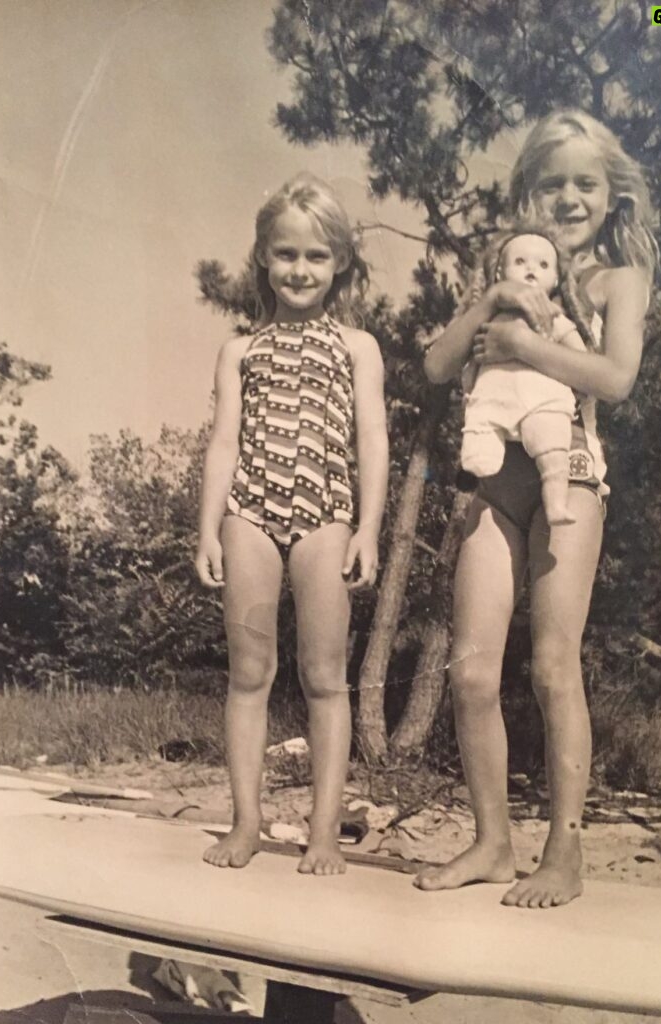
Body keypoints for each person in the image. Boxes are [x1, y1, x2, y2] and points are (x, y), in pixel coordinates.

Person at [417, 109, 657, 907]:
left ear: (611, 193)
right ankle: (491, 842)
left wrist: (522, 346)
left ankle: (564, 850)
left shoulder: (615, 280)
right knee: (470, 669)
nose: (567, 197)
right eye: (551, 183)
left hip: (569, 481)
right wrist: (489, 304)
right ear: (528, 192)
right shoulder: (508, 274)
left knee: (553, 666)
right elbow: (435, 364)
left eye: (584, 183)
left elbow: (615, 377)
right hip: (494, 487)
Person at [195, 173, 388, 876]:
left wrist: (367, 528)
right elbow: (222, 443)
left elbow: (373, 439)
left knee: (324, 678)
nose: (298, 270)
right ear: (263, 260)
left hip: (325, 517)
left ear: (338, 262)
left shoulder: (358, 347)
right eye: (284, 255)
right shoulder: (239, 351)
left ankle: (323, 834)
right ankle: (245, 823)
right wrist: (207, 528)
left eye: (314, 256)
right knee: (249, 673)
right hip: (249, 512)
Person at [461, 226, 593, 526]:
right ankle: (475, 465)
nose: (531, 269)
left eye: (543, 264)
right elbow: (469, 358)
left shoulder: (554, 316)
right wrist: (469, 382)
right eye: (520, 262)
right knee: (480, 432)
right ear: (499, 273)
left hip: (541, 400)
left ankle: (556, 503)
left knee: (552, 448)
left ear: (556, 279)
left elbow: (581, 359)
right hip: (494, 397)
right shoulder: (489, 315)